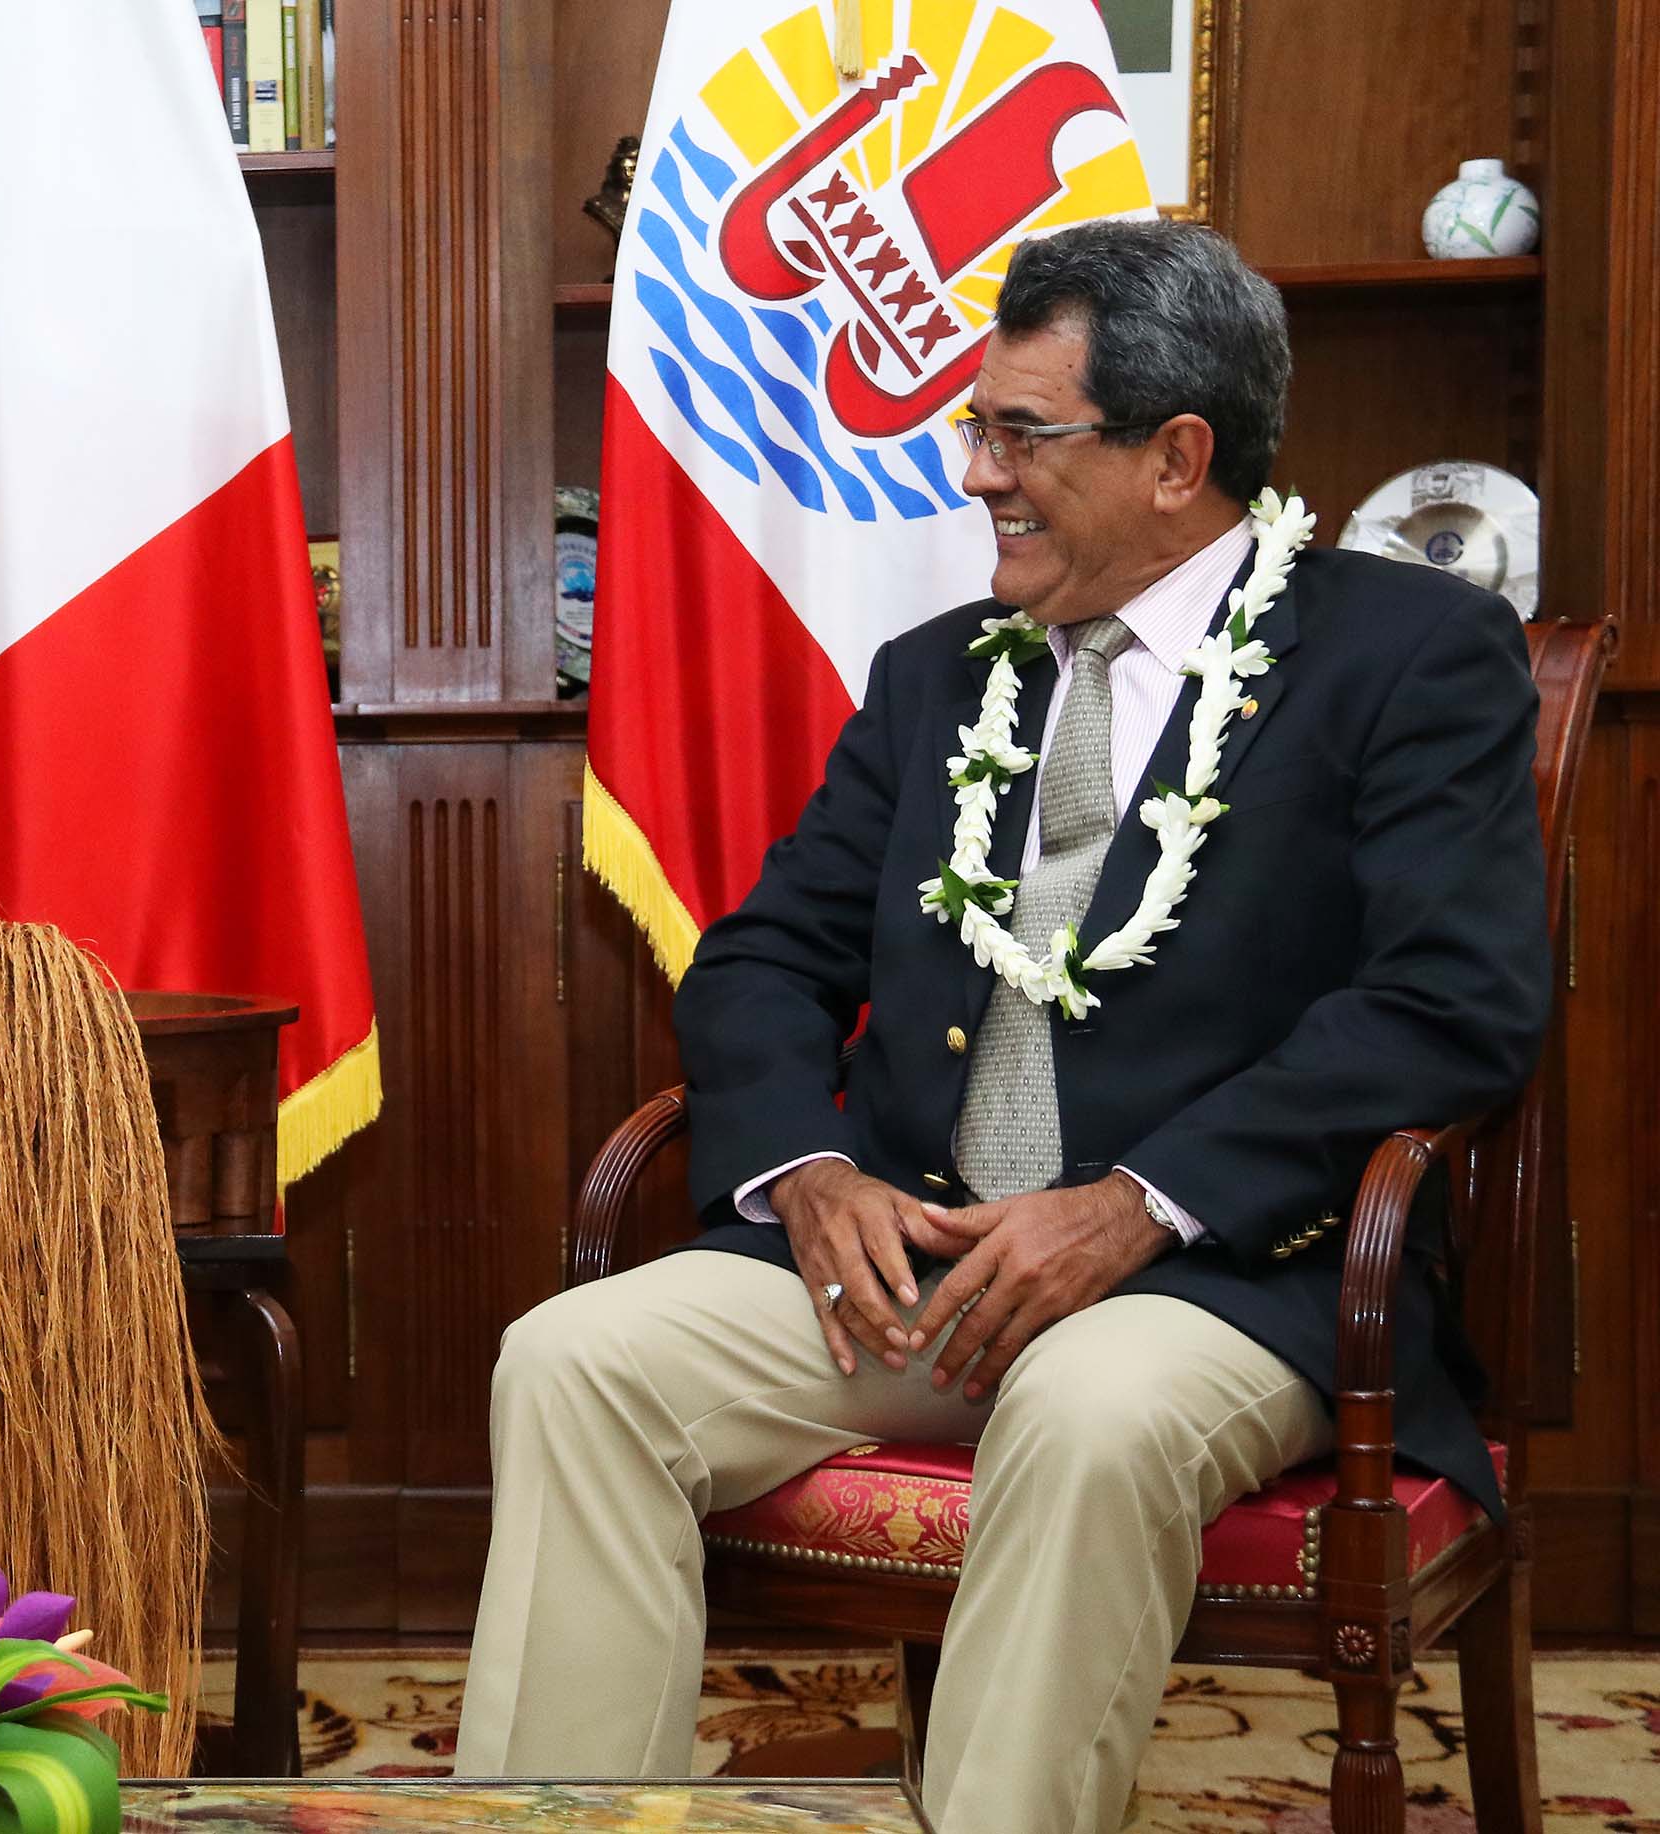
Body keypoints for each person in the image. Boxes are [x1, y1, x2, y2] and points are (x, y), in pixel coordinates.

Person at [456, 219, 1549, 1833]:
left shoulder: (1404, 654)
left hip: (1225, 1277)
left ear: (1178, 458)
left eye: (1021, 434)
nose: (979, 473)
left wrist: (1134, 1205)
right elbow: (760, 958)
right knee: (574, 1360)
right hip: (918, 1262)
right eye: (978, 429)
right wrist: (808, 1168)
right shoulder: (935, 680)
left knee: (1086, 1409)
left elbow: (1450, 1001)